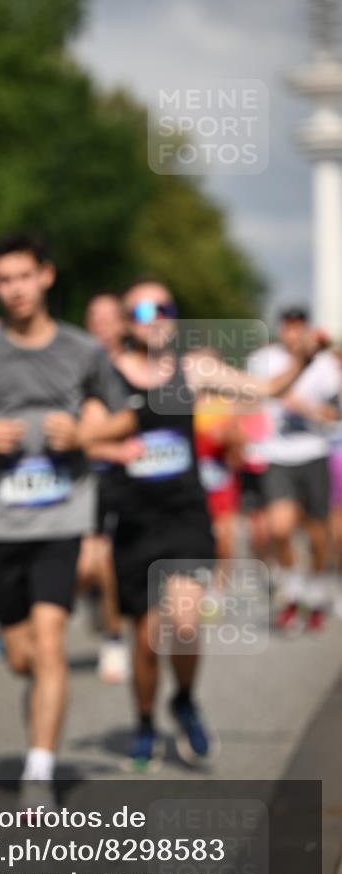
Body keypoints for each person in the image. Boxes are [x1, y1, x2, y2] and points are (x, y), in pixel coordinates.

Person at [80, 279, 322, 771]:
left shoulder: (194, 369)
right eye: (144, 308)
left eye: (166, 306)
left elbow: (267, 390)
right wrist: (113, 448)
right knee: (147, 641)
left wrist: (302, 360)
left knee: (185, 623)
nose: (157, 315)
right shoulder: (105, 375)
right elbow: (83, 438)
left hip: (185, 514)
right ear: (128, 322)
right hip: (134, 518)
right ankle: (146, 720)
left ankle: (184, 700)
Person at [0, 233, 120, 808]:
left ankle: (39, 770)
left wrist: (86, 433)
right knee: (23, 656)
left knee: (52, 641)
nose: (15, 289)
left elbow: (123, 420)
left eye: (23, 276)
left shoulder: (83, 351)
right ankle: (41, 713)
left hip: (62, 515)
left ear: (46, 276)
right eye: (3, 280)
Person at [247, 308, 341, 632]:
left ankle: (314, 591)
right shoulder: (263, 360)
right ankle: (293, 590)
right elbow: (251, 402)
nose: (293, 335)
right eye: (288, 328)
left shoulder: (326, 365)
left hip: (314, 452)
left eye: (300, 329)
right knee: (280, 527)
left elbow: (335, 413)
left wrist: (309, 409)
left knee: (318, 532)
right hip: (277, 455)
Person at [81, 293, 130, 684]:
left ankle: (115, 638)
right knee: (90, 566)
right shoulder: (74, 367)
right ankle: (103, 613)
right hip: (87, 477)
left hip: (131, 480)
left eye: (109, 317)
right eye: (94, 317)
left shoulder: (135, 369)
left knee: (113, 565)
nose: (102, 324)